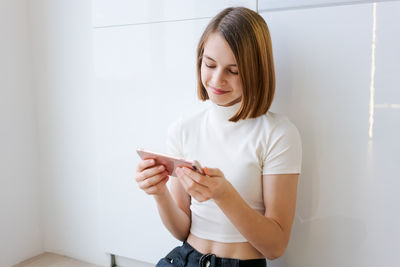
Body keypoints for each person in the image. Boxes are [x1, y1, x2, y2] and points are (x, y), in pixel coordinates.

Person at [135, 6, 302, 267]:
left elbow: (276, 246)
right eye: (209, 64)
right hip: (185, 258)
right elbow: (182, 230)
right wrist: (159, 193)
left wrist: (224, 194)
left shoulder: (279, 134)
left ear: (255, 71)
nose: (216, 79)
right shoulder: (182, 129)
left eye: (233, 71)